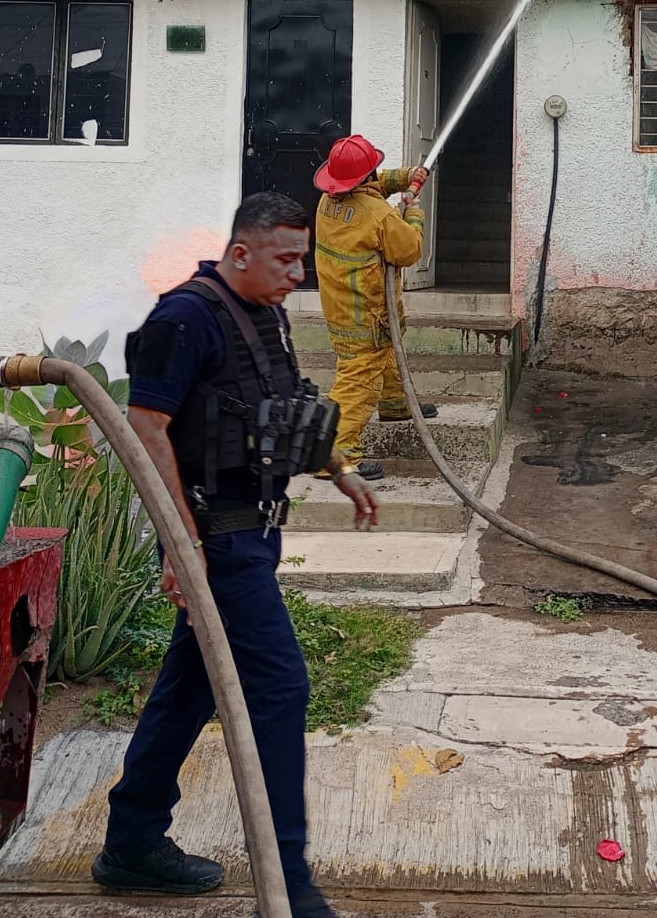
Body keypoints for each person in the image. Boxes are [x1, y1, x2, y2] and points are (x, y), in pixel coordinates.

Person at [92, 191, 377, 918]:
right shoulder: (184, 317)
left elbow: (281, 404)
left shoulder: (265, 312)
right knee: (281, 690)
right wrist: (180, 543)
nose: (298, 273)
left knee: (188, 689)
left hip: (256, 530)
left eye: (303, 259)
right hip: (219, 543)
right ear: (242, 253)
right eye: (287, 259)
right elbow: (146, 429)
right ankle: (287, 884)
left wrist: (337, 468)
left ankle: (131, 841)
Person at [313, 135, 434, 480]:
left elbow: (373, 187)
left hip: (341, 309)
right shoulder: (378, 215)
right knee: (358, 380)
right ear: (368, 174)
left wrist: (408, 176)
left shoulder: (328, 203)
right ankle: (336, 455)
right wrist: (414, 214)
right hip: (367, 312)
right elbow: (408, 250)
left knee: (387, 352)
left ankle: (396, 403)